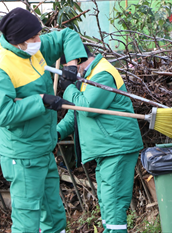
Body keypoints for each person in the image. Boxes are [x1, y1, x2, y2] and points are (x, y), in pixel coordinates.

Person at [0, 7, 87, 233]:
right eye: (33, 37)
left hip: (43, 148)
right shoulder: (0, 69)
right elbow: (3, 114)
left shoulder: (32, 49)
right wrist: (40, 101)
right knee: (27, 221)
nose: (38, 40)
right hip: (23, 156)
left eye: (38, 34)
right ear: (18, 40)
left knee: (54, 213)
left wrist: (70, 63)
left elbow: (66, 35)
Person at [57, 45, 143, 233]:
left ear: (76, 60)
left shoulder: (103, 74)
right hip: (106, 149)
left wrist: (69, 89)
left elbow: (88, 107)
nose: (67, 71)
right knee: (106, 203)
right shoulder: (89, 75)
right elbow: (75, 114)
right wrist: (56, 133)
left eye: (67, 66)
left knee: (113, 205)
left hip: (117, 147)